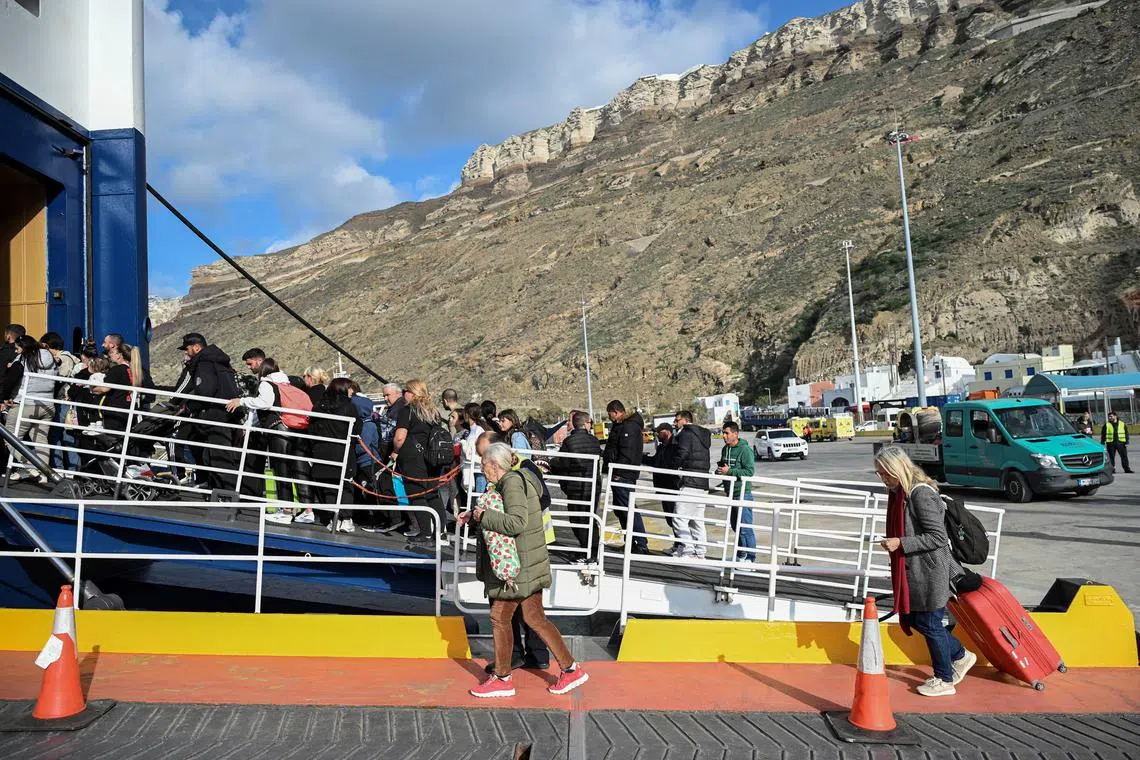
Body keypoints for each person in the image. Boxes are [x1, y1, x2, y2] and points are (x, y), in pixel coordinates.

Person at [462, 442, 588, 698]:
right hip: (529, 562)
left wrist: (482, 516)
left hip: (517, 566)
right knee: (534, 618)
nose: (482, 469)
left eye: (483, 464)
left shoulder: (511, 483)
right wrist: (474, 514)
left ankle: (502, 677)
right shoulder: (523, 477)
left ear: (495, 465)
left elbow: (517, 522)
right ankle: (571, 669)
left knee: (499, 617)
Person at [874, 446, 976, 697]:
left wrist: (901, 543)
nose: (882, 479)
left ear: (897, 469)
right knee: (917, 620)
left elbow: (937, 537)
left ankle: (945, 679)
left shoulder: (920, 494)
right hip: (919, 571)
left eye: (885, 473)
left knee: (929, 622)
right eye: (879, 474)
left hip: (931, 571)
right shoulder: (903, 493)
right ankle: (961, 655)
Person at [172, 333, 241, 492]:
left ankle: (227, 496)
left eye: (187, 349)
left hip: (216, 416)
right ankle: (216, 490)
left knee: (219, 458)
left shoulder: (205, 364)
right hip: (225, 415)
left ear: (196, 347)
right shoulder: (219, 362)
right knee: (208, 456)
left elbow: (205, 390)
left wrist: (189, 406)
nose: (186, 353)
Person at [390, 379, 447, 539]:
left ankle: (425, 533)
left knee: (416, 494)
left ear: (412, 393)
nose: (403, 395)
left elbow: (400, 438)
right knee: (432, 494)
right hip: (432, 458)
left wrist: (395, 451)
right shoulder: (434, 412)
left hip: (413, 459)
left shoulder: (407, 411)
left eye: (405, 391)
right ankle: (440, 532)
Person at [1, 335, 57, 483]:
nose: (16, 352)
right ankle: (44, 474)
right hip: (48, 405)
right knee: (40, 439)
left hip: (25, 404)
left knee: (11, 437)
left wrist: (4, 398)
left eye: (17, 348)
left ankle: (30, 467)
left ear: (24, 348)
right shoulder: (50, 358)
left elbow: (10, 380)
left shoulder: (22, 360)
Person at [308, 377, 361, 532]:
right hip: (342, 451)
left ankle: (333, 519)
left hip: (322, 451)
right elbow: (356, 429)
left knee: (329, 487)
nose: (352, 391)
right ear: (343, 388)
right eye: (350, 388)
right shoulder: (349, 406)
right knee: (345, 486)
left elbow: (312, 429)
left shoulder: (318, 406)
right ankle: (346, 519)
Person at [549, 411, 603, 549]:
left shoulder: (569, 442)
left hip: (575, 487)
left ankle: (587, 549)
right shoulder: (594, 441)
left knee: (577, 519)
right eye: (590, 422)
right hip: (593, 486)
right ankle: (593, 549)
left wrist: (552, 463)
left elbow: (563, 463)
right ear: (585, 424)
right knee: (590, 518)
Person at [602, 400, 647, 554]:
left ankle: (640, 543)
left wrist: (618, 471)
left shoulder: (628, 427)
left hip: (623, 474)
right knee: (621, 508)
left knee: (628, 508)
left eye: (610, 414)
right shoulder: (623, 425)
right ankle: (631, 542)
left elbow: (627, 452)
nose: (609, 418)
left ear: (616, 412)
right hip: (620, 473)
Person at [672, 410, 712, 558]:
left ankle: (687, 548)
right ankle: (700, 552)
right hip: (703, 483)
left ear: (685, 420)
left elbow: (682, 453)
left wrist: (672, 466)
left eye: (677, 420)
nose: (675, 423)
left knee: (678, 517)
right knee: (697, 520)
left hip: (690, 482)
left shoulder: (685, 434)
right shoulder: (703, 435)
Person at [716, 421, 757, 562]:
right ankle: (741, 555)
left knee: (745, 528)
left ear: (735, 434)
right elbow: (726, 467)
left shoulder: (745, 450)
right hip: (730, 493)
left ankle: (751, 559)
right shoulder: (724, 449)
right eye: (723, 433)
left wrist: (730, 471)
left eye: (726, 433)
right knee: (735, 526)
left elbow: (750, 471)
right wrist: (720, 471)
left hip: (742, 492)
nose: (724, 436)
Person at [40, 332, 82, 471]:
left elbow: (60, 380)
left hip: (62, 402)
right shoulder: (70, 357)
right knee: (66, 436)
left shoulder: (64, 358)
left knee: (59, 436)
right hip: (66, 402)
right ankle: (70, 469)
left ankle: (63, 469)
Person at [643, 422, 682, 554]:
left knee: (676, 517)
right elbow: (655, 462)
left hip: (672, 487)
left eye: (659, 433)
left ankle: (681, 544)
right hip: (662, 487)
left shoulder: (675, 446)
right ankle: (678, 544)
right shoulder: (661, 448)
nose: (657, 436)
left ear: (666, 432)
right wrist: (642, 458)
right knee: (670, 518)